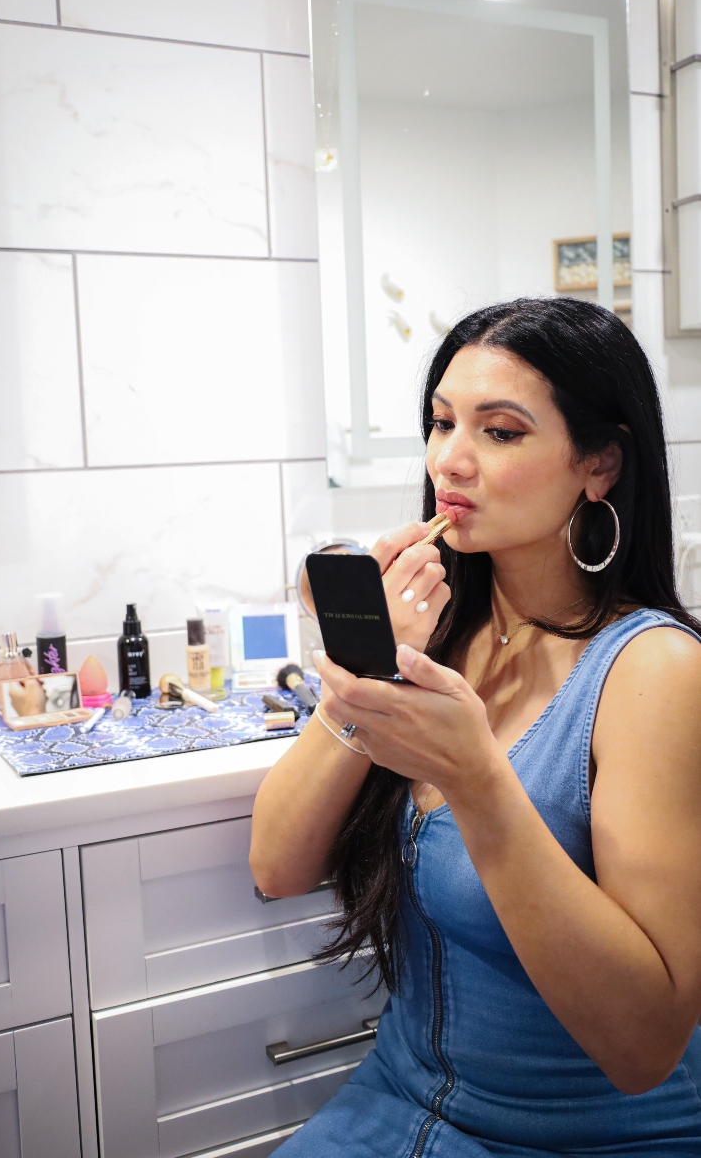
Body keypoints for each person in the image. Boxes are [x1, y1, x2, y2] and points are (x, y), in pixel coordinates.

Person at [250, 298, 701, 1155]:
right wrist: (361, 671)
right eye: (441, 422)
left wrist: (477, 779)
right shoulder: (444, 637)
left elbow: (646, 1046)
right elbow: (277, 864)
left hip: (589, 1135)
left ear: (599, 464)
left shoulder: (655, 673)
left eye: (500, 432)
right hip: (398, 1095)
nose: (449, 460)